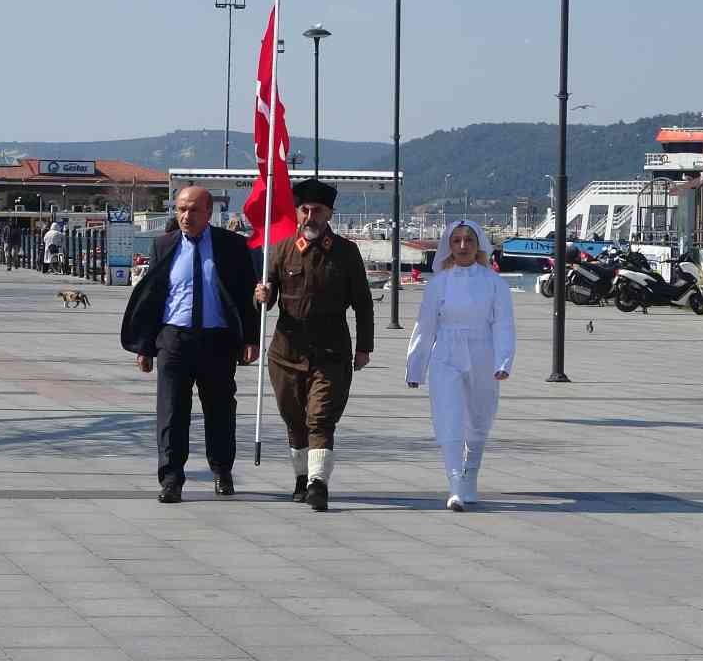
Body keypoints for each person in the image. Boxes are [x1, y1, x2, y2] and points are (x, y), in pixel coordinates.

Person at [121, 187, 260, 505]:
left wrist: (251, 338)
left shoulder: (231, 246)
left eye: (194, 210)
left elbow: (244, 295)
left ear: (209, 213)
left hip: (217, 340)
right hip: (174, 339)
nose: (186, 216)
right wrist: (145, 346)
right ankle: (171, 479)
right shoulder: (164, 245)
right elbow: (153, 297)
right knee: (171, 411)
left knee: (221, 410)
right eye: (181, 209)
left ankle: (222, 470)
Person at [252, 178, 374, 512]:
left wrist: (365, 347)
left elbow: (363, 303)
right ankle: (301, 477)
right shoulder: (282, 249)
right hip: (286, 352)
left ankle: (318, 483)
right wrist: (261, 295)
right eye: (304, 210)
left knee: (320, 418)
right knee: (294, 419)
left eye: (317, 211)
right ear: (297, 212)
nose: (310, 216)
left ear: (329, 214)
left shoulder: (346, 253)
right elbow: (270, 295)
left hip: (331, 351)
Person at [404, 220, 515, 511]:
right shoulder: (438, 283)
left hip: (482, 353)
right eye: (456, 241)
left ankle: (470, 475)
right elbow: (425, 327)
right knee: (448, 415)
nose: (463, 246)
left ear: (478, 244)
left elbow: (504, 325)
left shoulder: (494, 283)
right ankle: (454, 485)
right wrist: (416, 366)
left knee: (479, 417)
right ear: (448, 246)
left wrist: (504, 360)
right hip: (446, 355)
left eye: (468, 240)